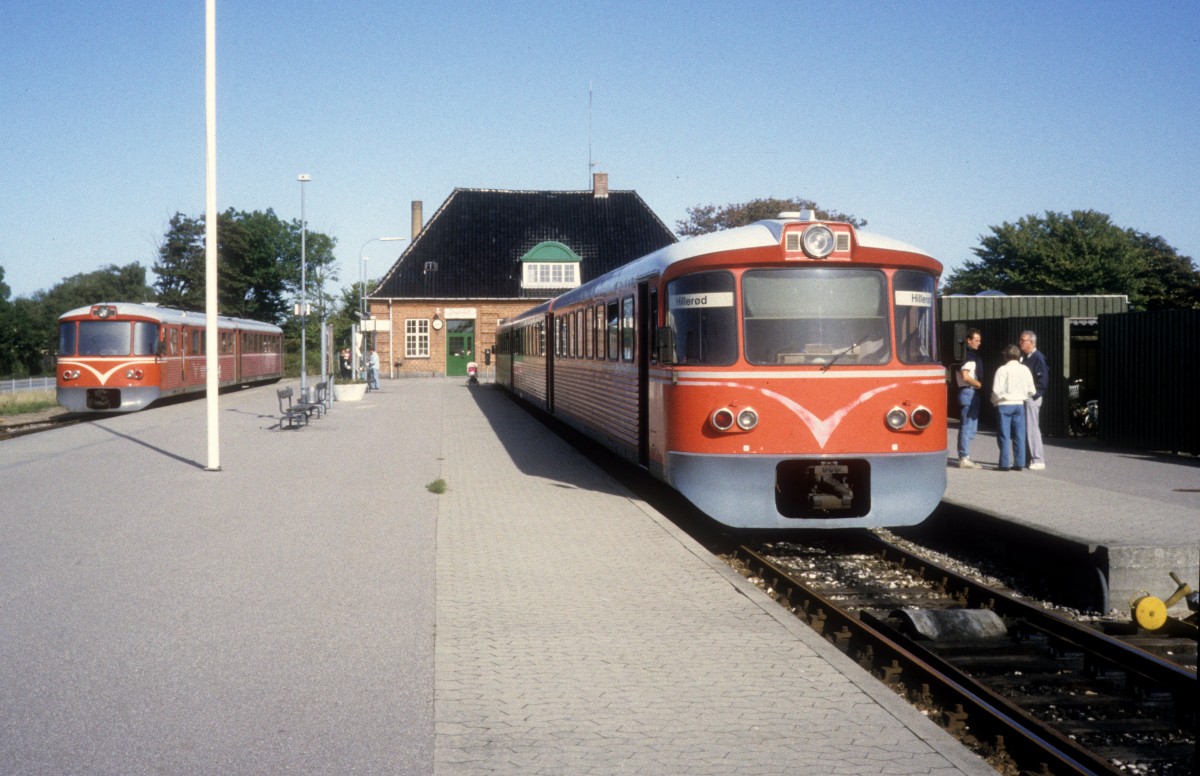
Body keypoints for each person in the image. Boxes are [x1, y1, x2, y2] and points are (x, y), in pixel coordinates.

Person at [991, 344, 1035, 471]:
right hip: (1019, 404)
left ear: (1006, 355)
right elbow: (1032, 390)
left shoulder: (1002, 370)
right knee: (1019, 434)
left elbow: (996, 390)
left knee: (1004, 435)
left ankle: (1004, 464)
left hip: (1004, 404)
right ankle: (1019, 463)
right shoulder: (1025, 369)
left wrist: (996, 400)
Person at [1019, 331, 1049, 470]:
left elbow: (1043, 380)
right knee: (1026, 428)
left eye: (1023, 340)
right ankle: (1028, 458)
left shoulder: (1038, 358)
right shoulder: (1025, 358)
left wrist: (1035, 394)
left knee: (1032, 427)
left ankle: (1038, 459)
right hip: (1025, 397)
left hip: (1032, 397)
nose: (1021, 343)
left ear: (1032, 342)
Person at [955, 329, 984, 468]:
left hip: (966, 392)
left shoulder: (961, 356)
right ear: (969, 340)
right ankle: (964, 457)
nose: (979, 343)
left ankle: (964, 455)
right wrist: (978, 384)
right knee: (967, 426)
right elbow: (965, 376)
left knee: (969, 426)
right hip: (969, 391)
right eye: (977, 340)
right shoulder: (969, 356)